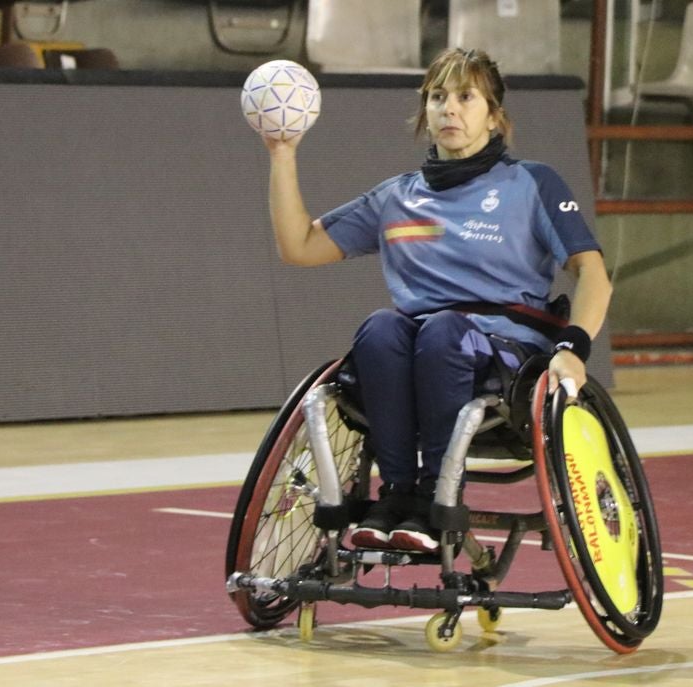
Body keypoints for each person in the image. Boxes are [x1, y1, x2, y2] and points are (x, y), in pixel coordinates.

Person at [262, 47, 612, 554]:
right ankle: (399, 494)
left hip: (505, 355)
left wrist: (573, 348)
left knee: (446, 330)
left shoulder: (532, 183)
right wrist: (282, 155)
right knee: (380, 328)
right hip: (417, 348)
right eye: (438, 97)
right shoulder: (397, 197)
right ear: (425, 112)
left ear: (494, 117)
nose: (450, 108)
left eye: (466, 97)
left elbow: (594, 274)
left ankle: (435, 497)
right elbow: (299, 247)